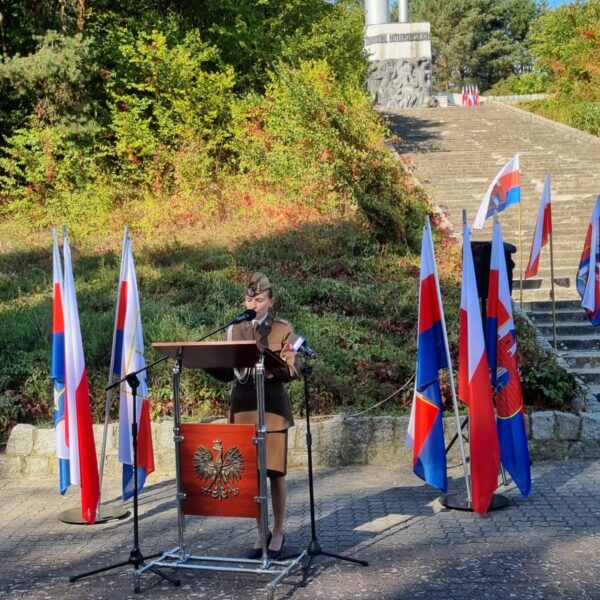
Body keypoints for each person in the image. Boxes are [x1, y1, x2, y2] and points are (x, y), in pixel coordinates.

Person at [227, 272, 297, 560]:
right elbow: (226, 366)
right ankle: (261, 531)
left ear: (271, 301)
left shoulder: (282, 330)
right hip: (244, 409)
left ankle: (279, 531)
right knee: (253, 475)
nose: (252, 304)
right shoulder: (235, 328)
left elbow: (291, 369)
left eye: (258, 299)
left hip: (272, 409)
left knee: (275, 473)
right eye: (248, 299)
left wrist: (272, 366)